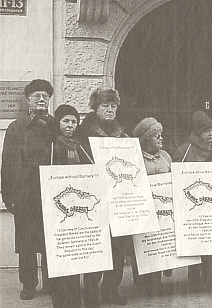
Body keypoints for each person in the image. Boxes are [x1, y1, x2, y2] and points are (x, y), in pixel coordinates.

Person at [1, 79, 56, 300]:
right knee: (26, 243)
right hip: (25, 195)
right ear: (28, 100)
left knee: (49, 241)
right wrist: (8, 196)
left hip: (50, 195)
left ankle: (52, 282)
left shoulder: (55, 125)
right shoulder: (17, 127)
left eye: (45, 96)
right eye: (37, 96)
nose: (42, 99)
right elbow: (8, 163)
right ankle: (28, 284)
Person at [78, 88, 128, 307]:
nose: (110, 110)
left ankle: (111, 290)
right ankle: (90, 293)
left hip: (117, 201)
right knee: (95, 248)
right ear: (95, 108)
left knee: (117, 250)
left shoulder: (123, 134)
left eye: (113, 106)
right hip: (94, 200)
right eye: (105, 106)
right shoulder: (83, 133)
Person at [50, 104, 94, 307]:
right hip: (59, 212)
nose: (70, 125)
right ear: (58, 123)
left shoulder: (81, 147)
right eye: (65, 121)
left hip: (77, 213)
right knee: (60, 261)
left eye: (74, 121)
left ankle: (75, 300)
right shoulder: (51, 147)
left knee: (76, 259)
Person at [175, 111, 212, 292]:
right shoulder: (185, 150)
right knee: (194, 243)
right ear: (197, 132)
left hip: (210, 205)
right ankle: (194, 280)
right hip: (193, 204)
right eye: (205, 130)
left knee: (210, 242)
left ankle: (209, 279)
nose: (210, 134)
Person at [132, 117, 172, 296]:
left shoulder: (166, 156)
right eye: (156, 135)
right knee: (142, 245)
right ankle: (141, 283)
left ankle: (155, 283)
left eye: (161, 134)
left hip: (162, 209)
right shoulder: (136, 158)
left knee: (159, 243)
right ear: (146, 139)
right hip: (143, 209)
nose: (161, 138)